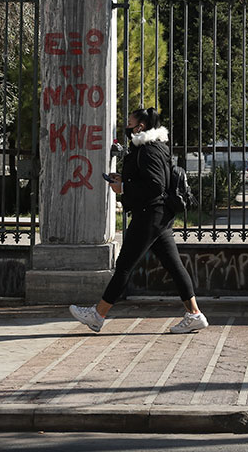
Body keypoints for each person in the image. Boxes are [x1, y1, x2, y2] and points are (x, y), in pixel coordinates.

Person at [69, 108, 208, 334]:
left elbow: (156, 186)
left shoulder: (148, 150)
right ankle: (194, 314)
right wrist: (124, 179)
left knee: (124, 266)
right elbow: (150, 179)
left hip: (149, 215)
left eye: (130, 121)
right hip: (158, 216)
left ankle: (97, 315)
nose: (127, 125)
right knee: (174, 266)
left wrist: (123, 188)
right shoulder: (152, 148)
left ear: (140, 126)